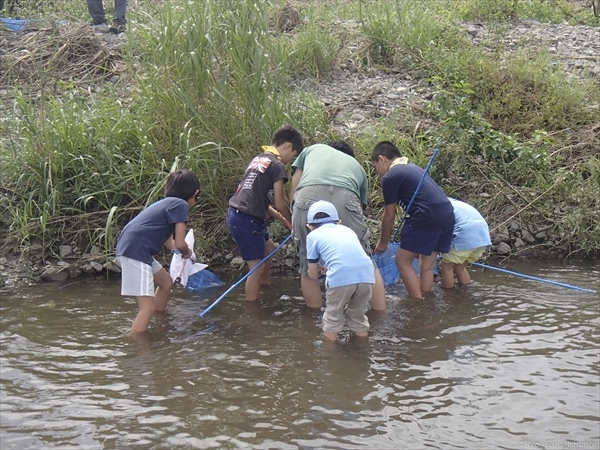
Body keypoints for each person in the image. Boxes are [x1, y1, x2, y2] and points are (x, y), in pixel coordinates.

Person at [289, 143, 386, 311]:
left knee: (307, 265)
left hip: (307, 197)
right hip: (347, 198)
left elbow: (295, 187)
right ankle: (380, 317)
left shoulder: (313, 149)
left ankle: (314, 323)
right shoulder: (358, 168)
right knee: (366, 259)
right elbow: (359, 211)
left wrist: (296, 218)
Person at [116, 169, 200, 333]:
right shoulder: (181, 205)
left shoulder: (167, 203)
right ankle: (137, 345)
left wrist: (181, 253)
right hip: (136, 251)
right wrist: (187, 251)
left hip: (133, 248)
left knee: (166, 282)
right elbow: (181, 242)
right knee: (147, 307)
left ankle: (159, 320)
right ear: (195, 193)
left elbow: (169, 240)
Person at [227, 125, 304, 302]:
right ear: (288, 146)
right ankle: (253, 313)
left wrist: (284, 219)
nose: (289, 161)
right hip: (247, 220)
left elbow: (262, 203)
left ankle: (265, 287)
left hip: (238, 214)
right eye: (292, 156)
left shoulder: (259, 159)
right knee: (256, 268)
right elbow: (279, 203)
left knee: (269, 247)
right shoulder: (277, 166)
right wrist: (294, 219)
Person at [370, 141, 454, 299]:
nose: (378, 173)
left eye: (375, 168)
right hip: (447, 214)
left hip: (426, 215)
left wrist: (382, 243)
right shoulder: (413, 167)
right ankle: (426, 300)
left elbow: (389, 215)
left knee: (402, 261)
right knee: (426, 265)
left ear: (382, 159)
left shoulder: (390, 176)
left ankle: (417, 305)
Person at [306, 201, 374, 341]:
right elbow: (347, 257)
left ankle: (330, 357)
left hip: (340, 279)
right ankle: (363, 351)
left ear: (309, 226)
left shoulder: (312, 236)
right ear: (339, 221)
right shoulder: (347, 230)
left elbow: (312, 275)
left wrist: (317, 270)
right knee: (358, 316)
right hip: (367, 276)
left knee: (333, 318)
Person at [439, 198, 491, 288]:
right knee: (460, 268)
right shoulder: (455, 203)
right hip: (483, 238)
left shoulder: (439, 206)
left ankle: (448, 297)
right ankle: (464, 294)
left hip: (467, 237)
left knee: (446, 267)